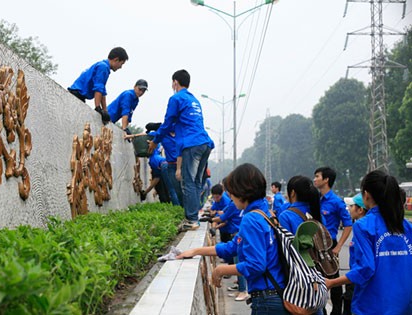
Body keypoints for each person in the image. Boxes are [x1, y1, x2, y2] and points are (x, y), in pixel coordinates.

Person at [177, 163, 289, 314]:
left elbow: (256, 265)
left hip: (267, 298)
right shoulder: (264, 212)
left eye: (231, 192)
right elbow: (234, 246)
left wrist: (221, 269)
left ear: (241, 191)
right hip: (276, 292)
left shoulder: (251, 219)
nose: (230, 196)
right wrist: (196, 250)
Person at [326, 170, 412, 315]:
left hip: (372, 305)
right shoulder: (406, 226)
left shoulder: (363, 225)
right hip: (403, 305)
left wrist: (331, 283)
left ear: (366, 195)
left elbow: (366, 268)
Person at [148, 69, 214, 231]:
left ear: (175, 82)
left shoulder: (176, 98)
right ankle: (194, 215)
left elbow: (168, 122)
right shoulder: (194, 100)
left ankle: (191, 219)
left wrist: (155, 141)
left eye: (172, 82)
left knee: (188, 182)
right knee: (197, 182)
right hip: (205, 143)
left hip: (192, 144)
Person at [313, 166, 352, 315]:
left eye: (317, 176)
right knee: (316, 280)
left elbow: (348, 225)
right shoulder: (315, 200)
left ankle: (336, 311)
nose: (315, 179)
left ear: (326, 179)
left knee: (334, 280)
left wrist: (339, 246)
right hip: (315, 246)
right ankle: (319, 310)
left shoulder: (336, 202)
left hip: (330, 246)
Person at [68, 47, 129, 124]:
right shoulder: (103, 67)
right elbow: (98, 89)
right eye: (121, 64)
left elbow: (102, 92)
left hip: (79, 95)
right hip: (76, 94)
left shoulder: (104, 67)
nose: (120, 67)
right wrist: (98, 108)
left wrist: (105, 111)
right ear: (116, 60)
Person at [341, 193, 367, 315]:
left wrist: (334, 282)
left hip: (357, 281)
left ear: (360, 210)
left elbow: (365, 266)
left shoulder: (361, 228)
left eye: (351, 206)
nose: (349, 209)